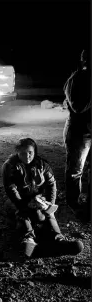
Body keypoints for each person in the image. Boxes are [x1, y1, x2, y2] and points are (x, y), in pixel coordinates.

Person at [2, 138, 83, 258]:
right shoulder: (10, 166)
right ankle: (28, 239)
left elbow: (51, 184)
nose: (27, 156)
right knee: (22, 213)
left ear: (35, 152)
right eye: (23, 153)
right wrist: (24, 205)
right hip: (17, 200)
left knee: (48, 213)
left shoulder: (42, 165)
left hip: (38, 199)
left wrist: (49, 203)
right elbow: (11, 189)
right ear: (17, 152)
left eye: (30, 152)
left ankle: (58, 239)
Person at [63, 48, 91, 219]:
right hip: (80, 132)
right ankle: (74, 204)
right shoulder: (76, 79)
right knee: (75, 170)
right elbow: (77, 106)